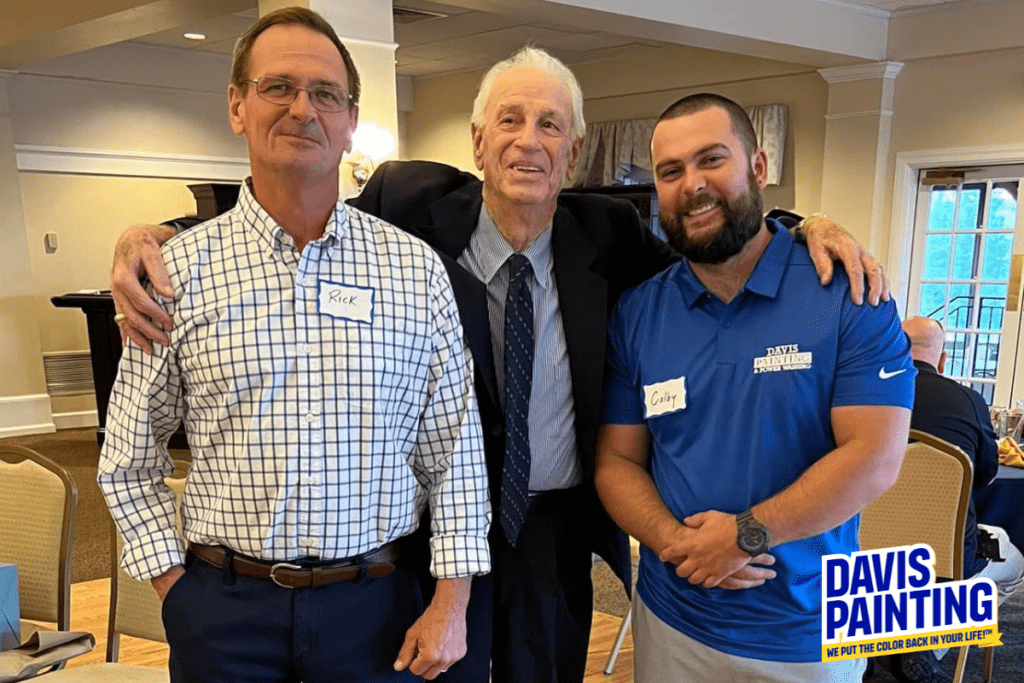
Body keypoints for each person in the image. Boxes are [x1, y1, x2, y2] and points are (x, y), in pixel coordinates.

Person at [107, 47, 889, 683]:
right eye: (508, 120)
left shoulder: (610, 233)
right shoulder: (408, 206)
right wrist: (153, 233)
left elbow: (712, 239)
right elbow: (295, 209)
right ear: (477, 142)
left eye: (551, 124)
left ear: (575, 151)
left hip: (551, 527)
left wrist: (806, 224)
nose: (529, 140)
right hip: (427, 536)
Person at [97, 8, 490, 682]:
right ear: (237, 105)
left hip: (378, 610)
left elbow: (453, 451)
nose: (303, 109)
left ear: (348, 120)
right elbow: (128, 459)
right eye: (278, 87)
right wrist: (176, 592)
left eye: (326, 94)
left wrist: (452, 598)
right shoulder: (175, 275)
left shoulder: (414, 271)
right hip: (225, 613)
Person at [596, 93, 916, 682]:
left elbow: (876, 457)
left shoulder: (847, 293)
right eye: (671, 171)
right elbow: (617, 461)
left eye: (712, 159)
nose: (692, 185)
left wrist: (746, 534)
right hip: (674, 620)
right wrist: (674, 541)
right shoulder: (639, 313)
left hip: (811, 632)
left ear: (760, 168)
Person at [894, 316, 1024, 683]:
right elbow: (983, 477)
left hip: (862, 552)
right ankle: (927, 644)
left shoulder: (860, 397)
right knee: (1012, 565)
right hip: (943, 559)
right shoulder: (966, 400)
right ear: (943, 360)